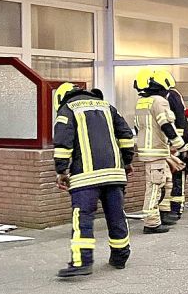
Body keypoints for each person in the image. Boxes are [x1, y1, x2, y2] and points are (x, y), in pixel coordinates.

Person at [53, 83, 136, 278]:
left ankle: (82, 262)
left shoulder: (67, 110)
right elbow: (126, 134)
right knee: (116, 215)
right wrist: (127, 160)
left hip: (85, 177)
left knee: (82, 219)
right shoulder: (107, 106)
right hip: (114, 174)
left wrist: (61, 171)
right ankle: (120, 256)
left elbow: (63, 143)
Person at [133, 69, 185, 234]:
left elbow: (137, 127)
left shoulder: (142, 102)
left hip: (150, 150)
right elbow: (166, 125)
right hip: (156, 151)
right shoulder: (159, 101)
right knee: (154, 187)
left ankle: (163, 213)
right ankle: (152, 223)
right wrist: (180, 144)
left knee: (166, 182)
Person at [150, 70, 188, 221]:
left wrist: (178, 145)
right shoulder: (160, 98)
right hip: (171, 143)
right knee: (169, 178)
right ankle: (168, 208)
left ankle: (176, 209)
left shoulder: (173, 96)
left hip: (179, 143)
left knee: (178, 177)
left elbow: (179, 123)